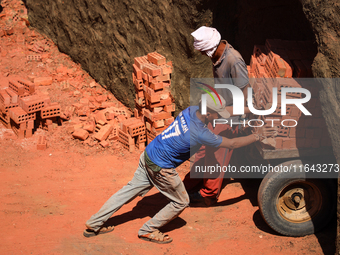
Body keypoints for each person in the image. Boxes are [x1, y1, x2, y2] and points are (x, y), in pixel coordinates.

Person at [83, 94, 265, 244]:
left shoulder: (192, 110)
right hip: (161, 167)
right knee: (181, 201)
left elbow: (226, 113)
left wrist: (253, 109)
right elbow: (232, 144)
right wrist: (257, 136)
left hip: (149, 154)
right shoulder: (200, 132)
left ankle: (94, 222)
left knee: (127, 191)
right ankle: (149, 229)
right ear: (209, 113)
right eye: (217, 114)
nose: (220, 116)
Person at [183, 26, 250, 206]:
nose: (204, 55)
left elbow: (245, 92)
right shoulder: (218, 58)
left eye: (205, 51)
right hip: (218, 109)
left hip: (229, 114)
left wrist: (239, 118)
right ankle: (190, 184)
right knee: (203, 149)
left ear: (212, 47)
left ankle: (208, 195)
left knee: (215, 154)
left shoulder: (233, 60)